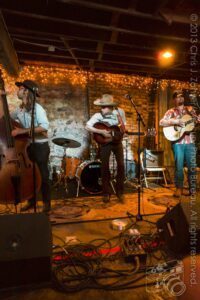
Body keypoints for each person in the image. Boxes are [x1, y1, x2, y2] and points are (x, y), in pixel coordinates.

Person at [11, 79, 51, 212]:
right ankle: (31, 201)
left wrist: (21, 131)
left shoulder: (38, 108)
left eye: (21, 88)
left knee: (43, 176)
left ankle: (46, 204)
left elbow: (44, 126)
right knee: (30, 175)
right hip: (28, 147)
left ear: (27, 91)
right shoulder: (19, 109)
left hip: (40, 146)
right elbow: (8, 117)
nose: (18, 90)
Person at [86, 94, 126, 203]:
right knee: (104, 167)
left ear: (110, 106)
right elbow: (87, 126)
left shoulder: (120, 112)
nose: (102, 109)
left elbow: (123, 126)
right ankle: (106, 193)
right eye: (101, 106)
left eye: (104, 107)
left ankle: (120, 192)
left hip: (117, 142)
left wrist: (122, 131)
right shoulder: (98, 115)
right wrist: (101, 132)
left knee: (121, 165)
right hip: (105, 143)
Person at [160, 91, 200, 197]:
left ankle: (192, 189)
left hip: (190, 142)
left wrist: (198, 120)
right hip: (178, 142)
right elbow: (162, 122)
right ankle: (179, 188)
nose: (180, 98)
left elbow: (194, 123)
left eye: (182, 96)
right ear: (174, 100)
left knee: (192, 166)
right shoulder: (171, 111)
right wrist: (176, 122)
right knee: (179, 166)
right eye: (178, 97)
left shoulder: (190, 110)